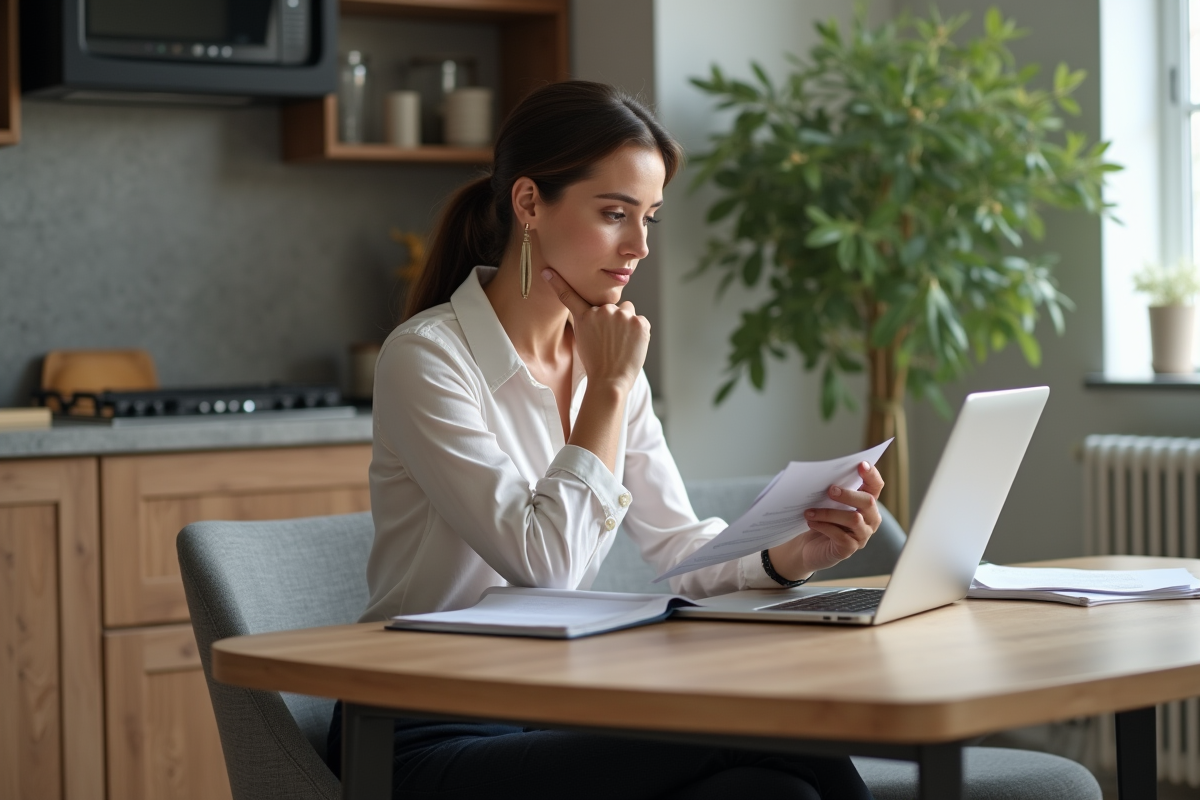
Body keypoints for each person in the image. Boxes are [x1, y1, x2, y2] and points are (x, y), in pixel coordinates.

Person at [328, 81, 884, 800]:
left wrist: (788, 556)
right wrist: (611, 389)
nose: (640, 247)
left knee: (772, 790)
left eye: (648, 218)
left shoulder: (607, 362)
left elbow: (677, 548)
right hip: (420, 726)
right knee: (773, 729)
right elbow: (547, 568)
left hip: (552, 708)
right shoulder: (429, 358)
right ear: (529, 203)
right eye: (615, 214)